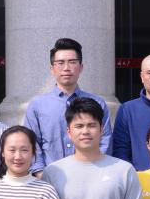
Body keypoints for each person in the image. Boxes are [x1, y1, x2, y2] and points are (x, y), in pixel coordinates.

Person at [23, 38, 112, 175]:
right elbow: (32, 143)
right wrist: (41, 175)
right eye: (60, 63)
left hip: (91, 175)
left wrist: (95, 172)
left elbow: (105, 140)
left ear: (81, 67)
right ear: (52, 69)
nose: (66, 68)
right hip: (49, 178)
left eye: (72, 62)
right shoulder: (37, 105)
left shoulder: (97, 102)